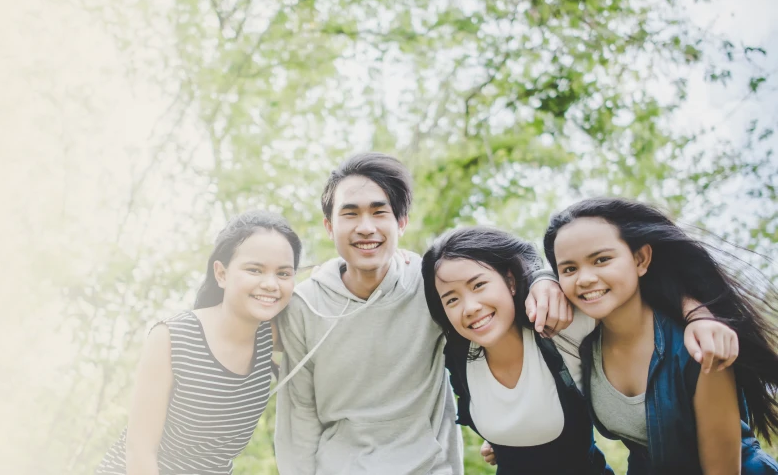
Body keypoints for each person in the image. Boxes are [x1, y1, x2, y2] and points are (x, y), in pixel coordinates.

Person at [272, 152, 574, 475]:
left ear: (401, 222)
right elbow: (299, 418)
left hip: (430, 467)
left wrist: (543, 278)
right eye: (350, 214)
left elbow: (505, 268)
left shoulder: (431, 284)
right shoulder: (305, 305)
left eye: (379, 212)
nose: (366, 227)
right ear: (329, 227)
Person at [422, 226, 740, 474]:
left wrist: (697, 316)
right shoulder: (459, 357)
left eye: (478, 285)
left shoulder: (560, 327)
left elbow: (643, 292)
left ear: (510, 280)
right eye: (451, 299)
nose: (470, 307)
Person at [545, 197, 778, 474]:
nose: (584, 278)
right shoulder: (583, 346)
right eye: (569, 269)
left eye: (602, 259)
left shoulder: (696, 346)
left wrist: (697, 313)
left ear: (640, 259)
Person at [96, 210, 302, 475]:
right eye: (255, 269)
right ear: (221, 273)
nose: (271, 284)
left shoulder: (268, 336)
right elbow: (140, 451)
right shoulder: (172, 337)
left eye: (284, 274)